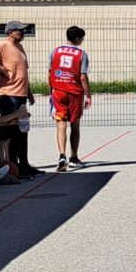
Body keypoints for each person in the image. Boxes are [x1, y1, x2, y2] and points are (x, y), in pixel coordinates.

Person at [0, 20, 40, 176]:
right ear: (10, 32)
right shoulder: (2, 46)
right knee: (12, 129)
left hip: (21, 94)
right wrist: (1, 68)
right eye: (19, 30)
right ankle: (13, 164)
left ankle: (24, 164)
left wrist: (29, 92)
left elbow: (23, 72)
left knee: (23, 129)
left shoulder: (20, 47)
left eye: (23, 30)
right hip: (9, 94)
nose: (22, 32)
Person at [48, 26, 92, 172]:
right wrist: (88, 95)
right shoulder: (81, 54)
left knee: (61, 124)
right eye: (82, 38)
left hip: (58, 90)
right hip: (74, 92)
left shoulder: (55, 51)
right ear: (78, 39)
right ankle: (73, 158)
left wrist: (50, 91)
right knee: (75, 124)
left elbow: (50, 73)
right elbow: (83, 77)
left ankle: (62, 155)